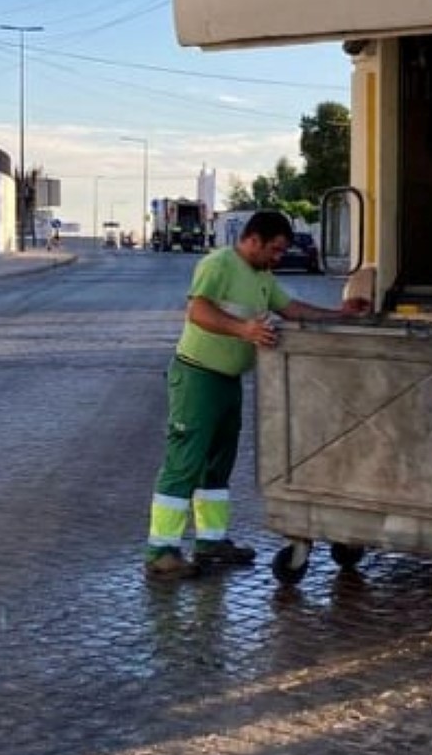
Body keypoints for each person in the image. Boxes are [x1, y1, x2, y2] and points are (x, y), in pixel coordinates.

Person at [146, 209, 369, 579]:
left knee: (218, 465)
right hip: (197, 377)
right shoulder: (218, 264)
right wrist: (243, 330)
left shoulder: (262, 276)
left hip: (228, 381)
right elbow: (198, 311)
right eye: (275, 249)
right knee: (184, 463)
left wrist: (341, 315)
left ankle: (211, 543)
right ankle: (160, 551)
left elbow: (292, 308)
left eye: (282, 251)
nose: (278, 258)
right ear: (253, 240)